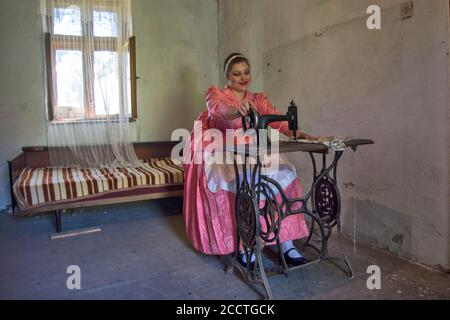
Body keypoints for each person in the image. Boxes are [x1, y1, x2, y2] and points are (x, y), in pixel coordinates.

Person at [182, 53, 316, 267]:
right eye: (236, 74)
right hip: (222, 148)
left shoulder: (257, 99)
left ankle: (286, 244)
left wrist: (297, 132)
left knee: (284, 176)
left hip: (251, 148)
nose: (243, 77)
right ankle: (245, 247)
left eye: (246, 72)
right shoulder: (215, 94)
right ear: (227, 76)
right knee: (243, 186)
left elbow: (277, 120)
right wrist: (237, 110)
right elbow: (217, 112)